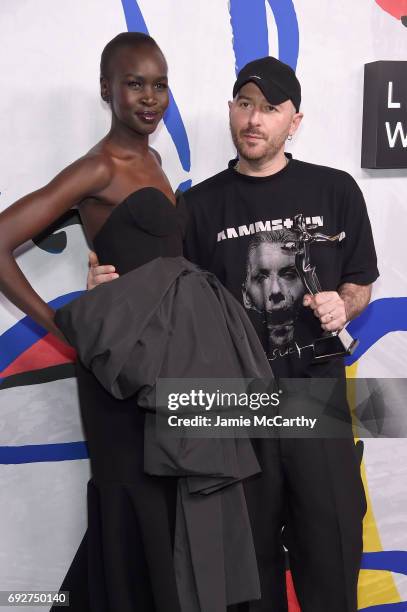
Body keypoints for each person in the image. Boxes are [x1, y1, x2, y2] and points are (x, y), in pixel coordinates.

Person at [89, 56, 379, 612]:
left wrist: (344, 305)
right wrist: (108, 286)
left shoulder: (336, 190)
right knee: (247, 576)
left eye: (270, 109)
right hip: (234, 413)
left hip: (316, 405)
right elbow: (164, 300)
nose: (254, 120)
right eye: (245, 105)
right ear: (230, 110)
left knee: (333, 558)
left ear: (294, 121)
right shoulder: (195, 206)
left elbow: (361, 279)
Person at [0, 31, 187, 612]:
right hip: (117, 377)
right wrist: (66, 325)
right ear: (107, 89)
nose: (150, 98)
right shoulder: (98, 168)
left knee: (161, 507)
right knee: (132, 501)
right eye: (135, 84)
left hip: (166, 368)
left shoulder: (154, 160)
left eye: (159, 85)